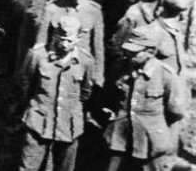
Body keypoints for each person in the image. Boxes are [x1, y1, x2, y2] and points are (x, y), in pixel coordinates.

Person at [103, 26, 186, 171]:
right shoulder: (120, 67)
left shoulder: (165, 75)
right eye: (127, 50)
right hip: (119, 137)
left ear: (151, 52)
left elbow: (176, 111)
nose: (128, 55)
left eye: (134, 52)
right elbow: (110, 96)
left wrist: (155, 124)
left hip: (149, 141)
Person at [17, 16, 93, 171]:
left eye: (70, 40)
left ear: (79, 38)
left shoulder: (85, 61)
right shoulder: (37, 56)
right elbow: (25, 85)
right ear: (54, 35)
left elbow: (85, 93)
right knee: (28, 166)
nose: (64, 44)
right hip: (39, 121)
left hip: (69, 124)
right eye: (61, 38)